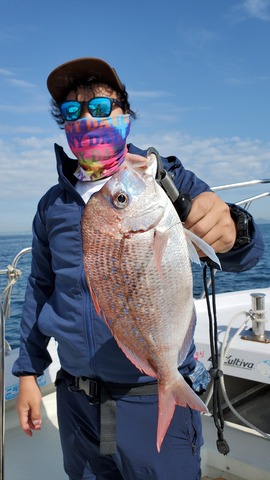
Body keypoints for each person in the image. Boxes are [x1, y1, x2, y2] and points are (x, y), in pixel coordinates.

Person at [13, 57, 264, 480]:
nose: (88, 119)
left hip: (147, 396)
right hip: (76, 399)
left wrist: (235, 229)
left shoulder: (164, 180)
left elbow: (243, 253)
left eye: (100, 106)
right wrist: (27, 373)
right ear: (64, 125)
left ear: (124, 113)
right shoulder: (52, 205)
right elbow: (40, 288)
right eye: (73, 111)